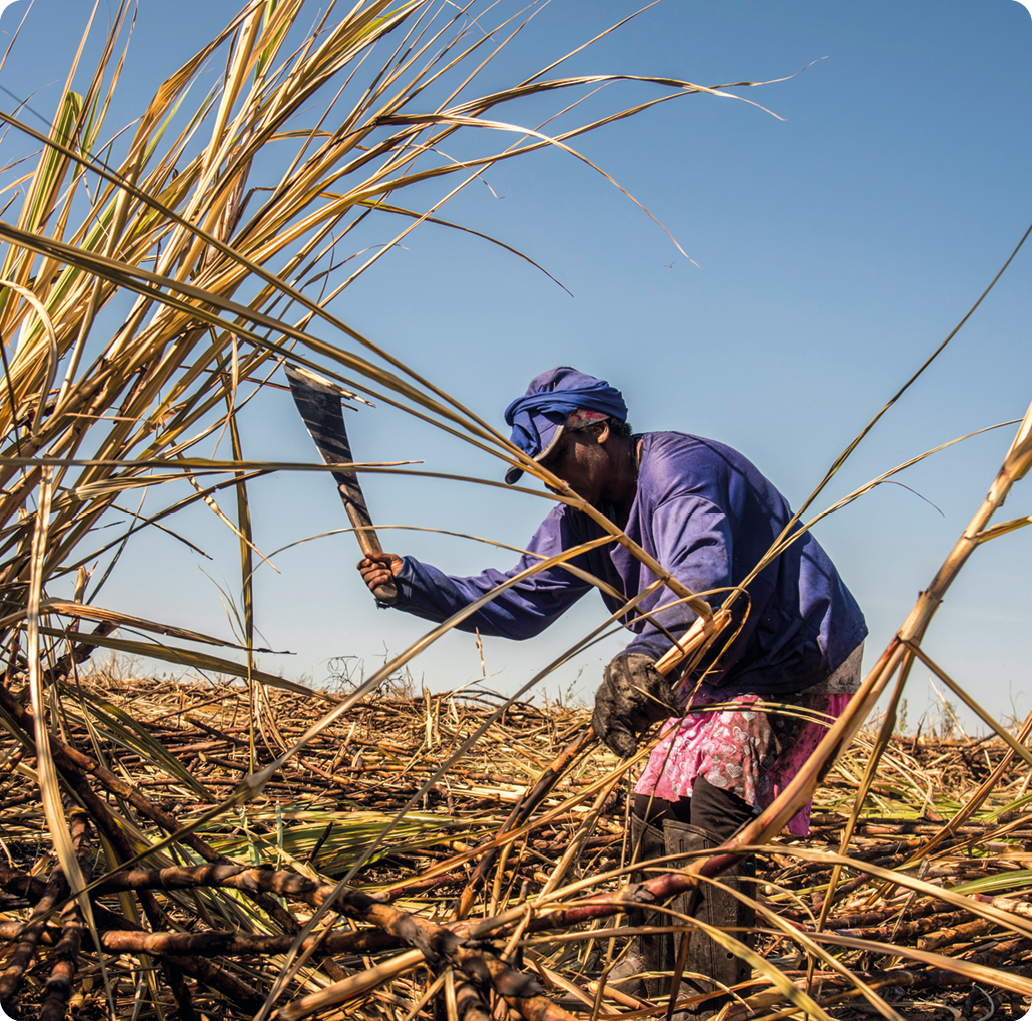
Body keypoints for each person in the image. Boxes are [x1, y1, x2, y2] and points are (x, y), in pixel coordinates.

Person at [358, 367, 867, 1016]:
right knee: (652, 806)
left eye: (555, 459)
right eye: (538, 468)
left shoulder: (680, 472)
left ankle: (714, 987)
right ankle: (651, 963)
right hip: (713, 670)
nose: (550, 479)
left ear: (595, 430)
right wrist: (414, 585)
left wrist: (641, 660)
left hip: (794, 655)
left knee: (715, 802)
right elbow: (520, 600)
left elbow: (700, 580)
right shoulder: (578, 519)